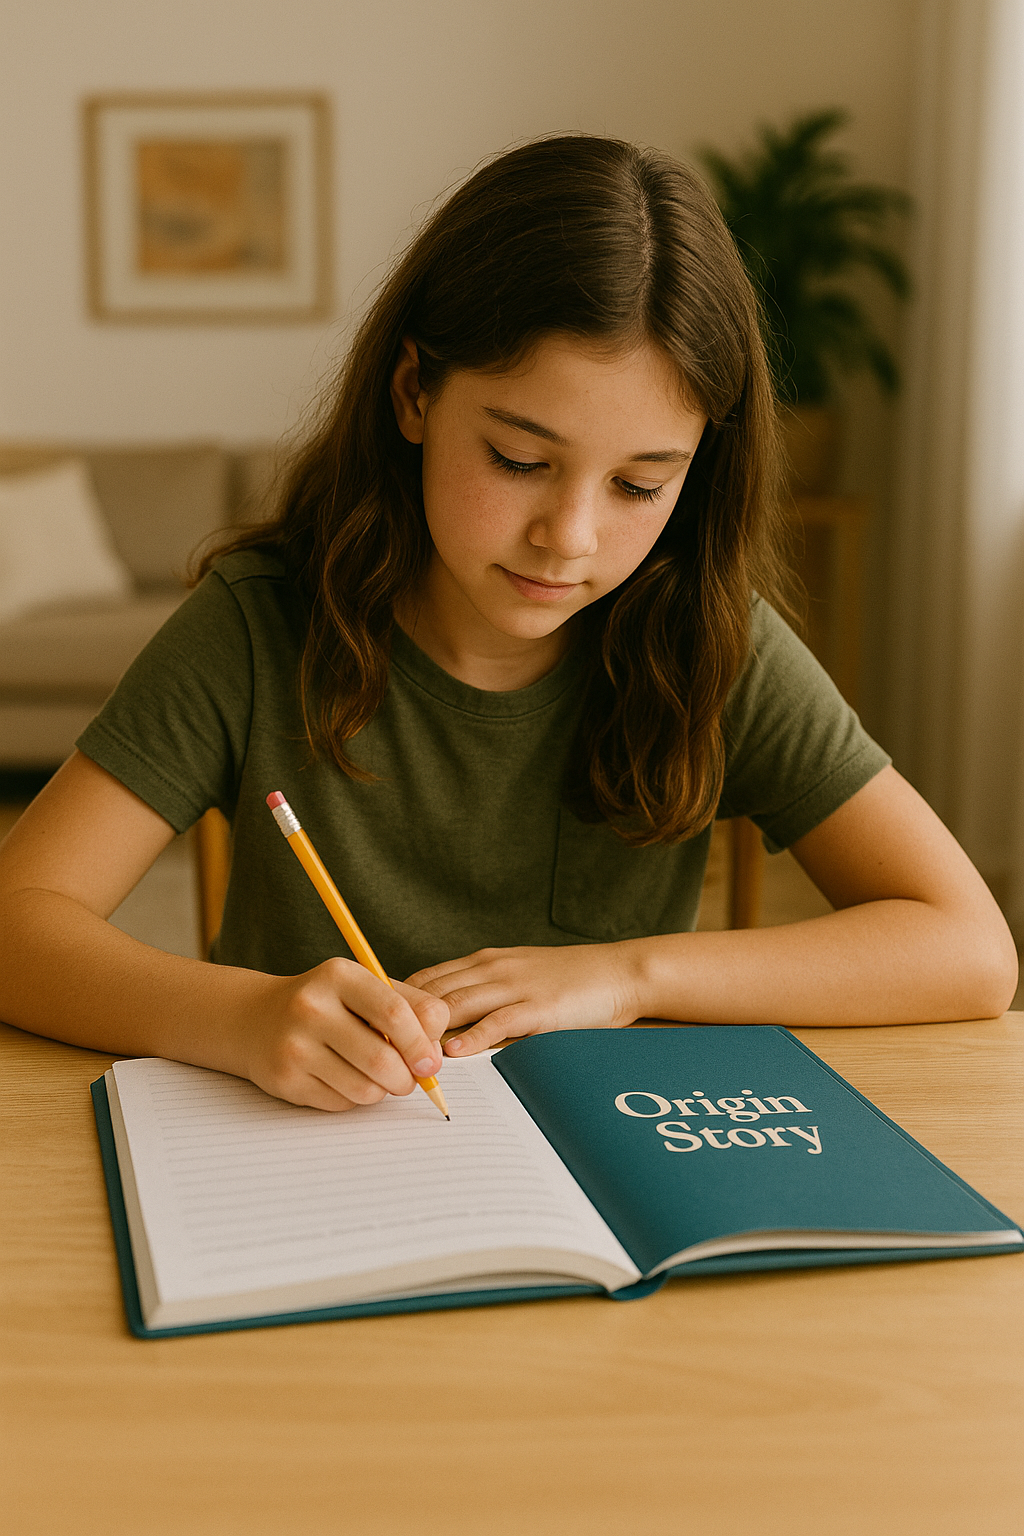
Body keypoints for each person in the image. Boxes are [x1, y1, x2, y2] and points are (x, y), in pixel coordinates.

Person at [0, 136, 1015, 1112]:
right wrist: (240, 1015)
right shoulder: (258, 628)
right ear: (414, 395)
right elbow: (17, 923)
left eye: (637, 483)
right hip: (305, 1161)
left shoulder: (709, 639)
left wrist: (627, 975)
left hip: (610, 1163)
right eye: (519, 461)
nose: (567, 537)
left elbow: (969, 951)